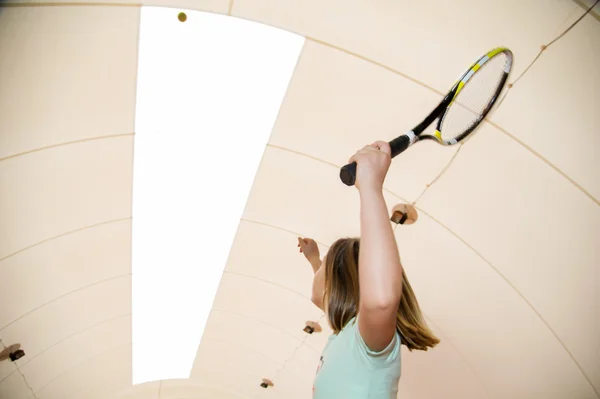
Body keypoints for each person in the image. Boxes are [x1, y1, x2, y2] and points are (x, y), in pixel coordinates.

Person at [297, 141, 439, 398]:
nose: (318, 272)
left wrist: (371, 186)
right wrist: (315, 259)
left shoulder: (366, 341)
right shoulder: (345, 335)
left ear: (338, 283)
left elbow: (381, 299)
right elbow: (327, 296)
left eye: (324, 268)